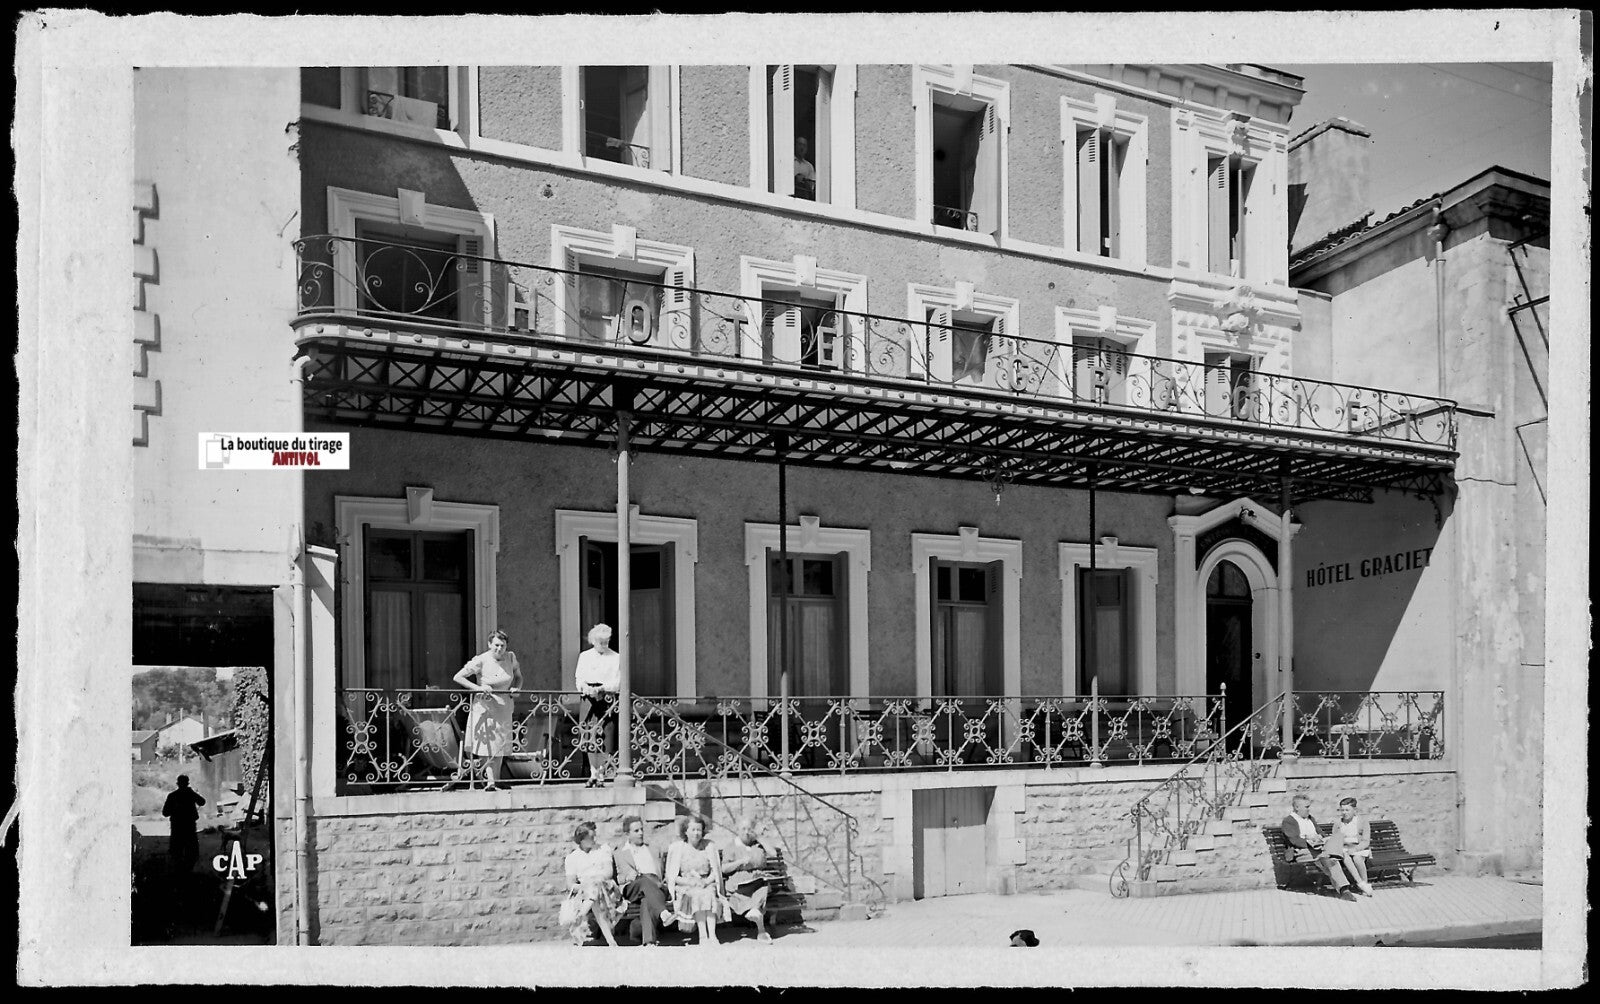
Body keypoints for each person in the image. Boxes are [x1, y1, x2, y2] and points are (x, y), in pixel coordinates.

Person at [454, 628, 522, 791]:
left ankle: (496, 781)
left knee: (500, 744)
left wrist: (516, 688)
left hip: (504, 706)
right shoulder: (481, 660)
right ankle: (491, 781)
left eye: (503, 646)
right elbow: (458, 677)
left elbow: (518, 676)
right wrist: (477, 688)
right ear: (489, 644)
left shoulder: (510, 657)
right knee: (488, 745)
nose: (500, 649)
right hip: (485, 707)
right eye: (496, 645)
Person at [1280, 794, 1358, 901]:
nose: (1309, 809)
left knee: (1330, 858)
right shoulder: (1289, 821)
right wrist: (1310, 841)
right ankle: (1345, 889)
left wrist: (1322, 838)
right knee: (1328, 857)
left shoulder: (1310, 819)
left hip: (1318, 850)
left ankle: (1344, 890)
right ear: (1297, 807)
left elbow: (1320, 832)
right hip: (1301, 852)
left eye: (1309, 806)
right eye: (1306, 807)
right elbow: (1294, 840)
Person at [665, 814, 725, 947]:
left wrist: (706, 882)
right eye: (693, 830)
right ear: (686, 831)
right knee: (697, 895)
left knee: (708, 894)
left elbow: (715, 871)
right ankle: (703, 936)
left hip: (705, 882)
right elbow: (673, 876)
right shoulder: (678, 847)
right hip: (686, 885)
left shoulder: (708, 846)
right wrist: (689, 882)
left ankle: (713, 935)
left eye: (699, 830)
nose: (696, 833)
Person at [573, 623, 620, 787]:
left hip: (606, 698)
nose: (604, 645)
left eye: (606, 641)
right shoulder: (585, 656)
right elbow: (579, 678)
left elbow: (617, 682)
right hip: (588, 698)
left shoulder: (615, 657)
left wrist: (602, 688)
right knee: (589, 736)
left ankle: (601, 774)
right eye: (601, 642)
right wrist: (584, 688)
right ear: (593, 641)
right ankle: (593, 773)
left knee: (605, 736)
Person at [614, 815, 672, 946]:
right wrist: (628, 877)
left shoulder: (653, 849)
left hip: (655, 886)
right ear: (627, 834)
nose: (640, 833)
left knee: (647, 900)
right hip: (633, 887)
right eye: (636, 831)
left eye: (641, 830)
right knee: (643, 881)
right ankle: (663, 912)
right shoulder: (620, 853)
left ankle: (648, 941)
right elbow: (618, 878)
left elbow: (663, 872)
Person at [563, 821, 623, 946]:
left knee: (595, 887)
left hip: (608, 890)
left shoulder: (603, 849)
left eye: (595, 835)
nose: (595, 839)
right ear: (582, 840)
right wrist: (584, 886)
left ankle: (581, 915)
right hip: (586, 893)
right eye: (591, 837)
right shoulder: (572, 858)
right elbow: (570, 884)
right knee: (593, 895)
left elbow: (608, 873)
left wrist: (594, 880)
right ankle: (610, 940)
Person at [720, 815, 773, 943]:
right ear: (737, 830)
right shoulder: (731, 847)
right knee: (755, 891)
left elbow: (773, 853)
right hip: (739, 883)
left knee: (763, 885)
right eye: (743, 828)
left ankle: (756, 915)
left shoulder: (757, 845)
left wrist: (760, 838)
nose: (746, 832)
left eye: (749, 829)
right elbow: (724, 868)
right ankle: (761, 930)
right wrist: (739, 862)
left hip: (758, 881)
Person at [1330, 796, 1375, 896]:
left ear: (1355, 810)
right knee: (1345, 855)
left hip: (1359, 848)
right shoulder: (1338, 823)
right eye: (1342, 810)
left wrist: (1355, 848)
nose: (1344, 813)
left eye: (1347, 810)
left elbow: (1365, 841)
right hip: (1344, 849)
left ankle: (1365, 883)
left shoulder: (1362, 822)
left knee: (1357, 858)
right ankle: (1361, 884)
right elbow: (1335, 839)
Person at [161, 774, 206, 874]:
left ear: (178, 784)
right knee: (191, 851)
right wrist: (192, 793)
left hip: (177, 826)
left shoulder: (172, 796)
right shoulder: (191, 794)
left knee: (177, 851)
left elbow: (165, 813)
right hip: (189, 825)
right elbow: (202, 802)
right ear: (187, 783)